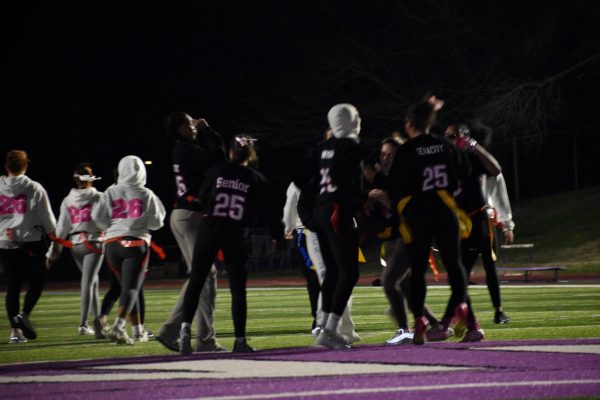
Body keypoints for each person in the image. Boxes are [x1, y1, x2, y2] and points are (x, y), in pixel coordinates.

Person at [179, 135, 282, 354]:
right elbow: (269, 209)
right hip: (236, 232)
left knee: (196, 281)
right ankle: (240, 340)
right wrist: (278, 234)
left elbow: (203, 196)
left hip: (211, 228)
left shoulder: (216, 171)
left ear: (231, 153)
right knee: (238, 290)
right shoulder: (256, 178)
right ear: (250, 155)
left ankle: (184, 333)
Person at [387, 98, 474, 345]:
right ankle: (454, 312)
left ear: (408, 123)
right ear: (430, 122)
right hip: (445, 210)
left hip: (419, 213)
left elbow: (396, 186)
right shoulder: (445, 145)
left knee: (417, 271)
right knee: (454, 266)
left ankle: (420, 322)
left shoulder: (406, 151)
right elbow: (465, 171)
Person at [157, 112, 227, 353]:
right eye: (188, 123)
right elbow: (219, 160)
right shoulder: (186, 149)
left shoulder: (183, 149)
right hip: (191, 215)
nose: (194, 125)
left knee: (202, 275)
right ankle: (204, 339)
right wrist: (209, 132)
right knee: (206, 275)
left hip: (185, 214)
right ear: (178, 129)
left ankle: (172, 330)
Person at [295, 104, 364, 350]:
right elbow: (352, 184)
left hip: (322, 209)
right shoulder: (351, 147)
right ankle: (330, 329)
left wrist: (320, 202)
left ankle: (324, 326)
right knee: (349, 272)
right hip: (337, 211)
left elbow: (301, 179)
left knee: (333, 272)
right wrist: (355, 202)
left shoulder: (320, 148)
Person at [363, 137, 441, 345]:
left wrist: (384, 198)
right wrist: (368, 200)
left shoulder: (407, 175)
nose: (386, 158)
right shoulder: (382, 179)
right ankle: (436, 324)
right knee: (406, 287)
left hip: (408, 236)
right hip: (391, 239)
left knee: (389, 282)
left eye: (391, 154)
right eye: (383, 154)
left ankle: (404, 330)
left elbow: (407, 208)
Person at [92, 155, 166, 344]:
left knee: (130, 288)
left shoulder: (110, 191)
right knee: (131, 288)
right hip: (135, 243)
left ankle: (138, 330)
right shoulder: (146, 193)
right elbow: (157, 223)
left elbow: (98, 218)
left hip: (112, 245)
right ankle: (117, 326)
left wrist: (114, 225)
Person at [446, 123, 512, 325]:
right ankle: (457, 315)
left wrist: (507, 223)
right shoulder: (449, 162)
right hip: (461, 223)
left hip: (482, 219)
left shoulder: (475, 159)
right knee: (461, 271)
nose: (449, 140)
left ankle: (495, 311)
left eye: (453, 136)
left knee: (487, 267)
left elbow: (497, 175)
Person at [284, 180, 360, 342]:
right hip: (321, 228)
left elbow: (292, 207)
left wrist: (288, 228)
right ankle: (332, 326)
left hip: (323, 227)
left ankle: (333, 326)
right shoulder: (323, 175)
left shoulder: (316, 176)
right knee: (336, 276)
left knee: (335, 276)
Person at [0, 150, 57, 343]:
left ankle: (15, 332)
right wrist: (55, 243)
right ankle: (23, 314)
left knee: (13, 286)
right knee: (37, 282)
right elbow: (48, 221)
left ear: (7, 166)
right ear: (26, 166)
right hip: (29, 242)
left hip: (4, 243)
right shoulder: (34, 187)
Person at [45, 163, 104, 336]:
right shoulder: (99, 197)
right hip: (93, 242)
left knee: (92, 284)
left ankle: (98, 325)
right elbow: (107, 220)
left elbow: (61, 228)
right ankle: (83, 324)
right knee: (88, 283)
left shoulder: (68, 200)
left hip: (75, 245)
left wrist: (52, 253)